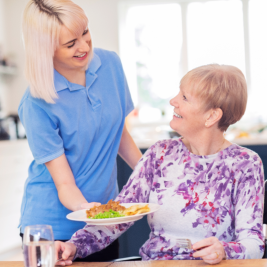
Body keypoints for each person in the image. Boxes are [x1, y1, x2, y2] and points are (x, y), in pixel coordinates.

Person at [55, 64, 264, 265]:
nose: (173, 101)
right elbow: (121, 215)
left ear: (211, 116)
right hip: (157, 264)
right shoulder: (160, 153)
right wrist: (75, 246)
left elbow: (254, 243)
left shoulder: (245, 164)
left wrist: (224, 251)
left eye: (184, 97)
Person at [18, 0, 142, 261]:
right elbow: (64, 183)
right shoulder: (36, 103)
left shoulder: (110, 65)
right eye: (70, 43)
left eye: (85, 32)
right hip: (53, 226)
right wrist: (89, 210)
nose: (84, 46)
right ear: (46, 49)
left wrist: (151, 173)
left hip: (102, 225)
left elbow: (117, 132)